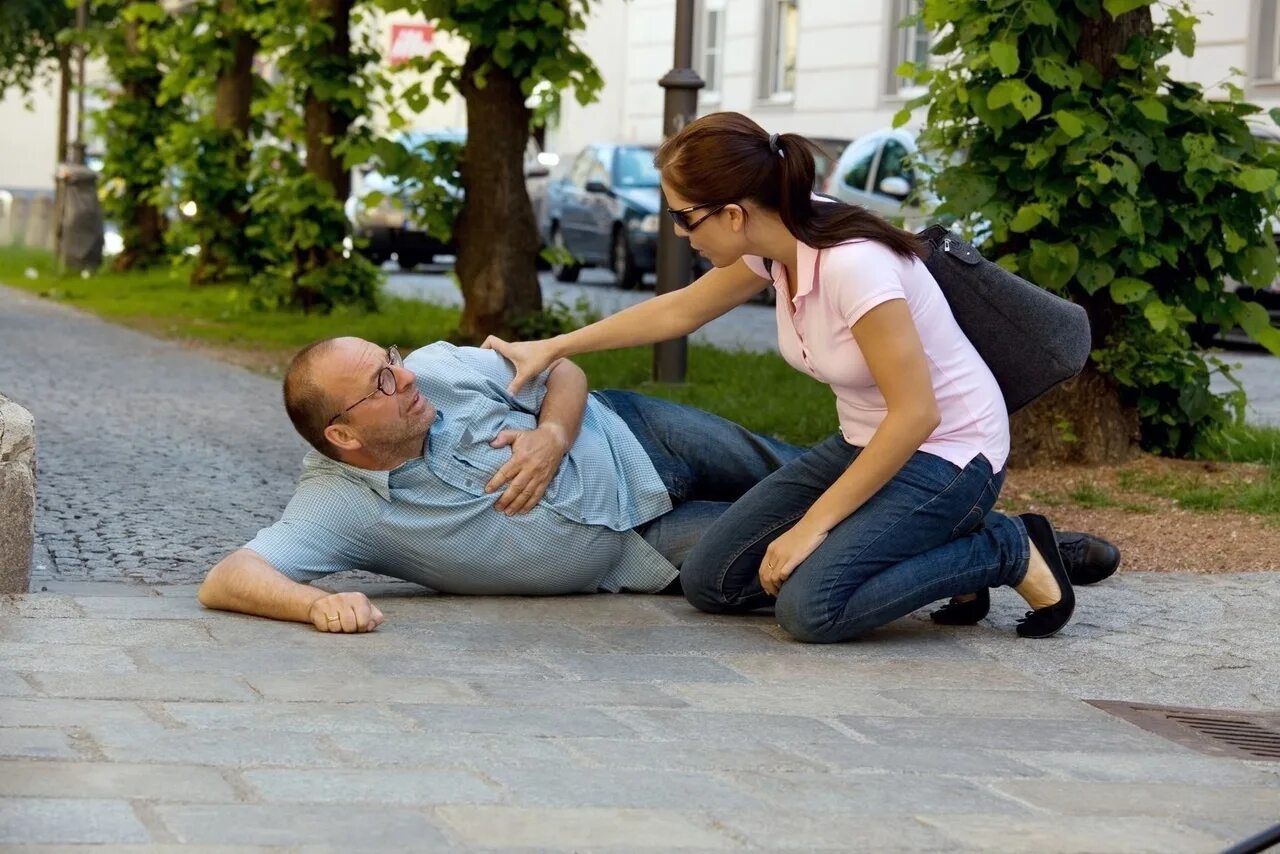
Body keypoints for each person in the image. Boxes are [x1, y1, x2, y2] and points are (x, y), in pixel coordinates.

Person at [483, 111, 1098, 644]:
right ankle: (926, 554)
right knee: (712, 581)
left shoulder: (854, 266)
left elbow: (918, 415)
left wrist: (811, 529)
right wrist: (553, 346)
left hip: (950, 454)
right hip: (867, 444)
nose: (677, 232)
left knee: (812, 609)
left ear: (732, 213)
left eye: (684, 218)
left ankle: (1003, 548)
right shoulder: (775, 245)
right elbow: (680, 310)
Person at [196, 335, 1119, 633]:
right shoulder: (337, 506)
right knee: (795, 566)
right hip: (635, 553)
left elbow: (560, 368)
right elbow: (227, 577)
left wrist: (554, 436)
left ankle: (1021, 540)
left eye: (394, 361)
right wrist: (316, 609)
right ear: (346, 433)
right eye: (384, 384)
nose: (407, 378)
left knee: (826, 481)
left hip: (641, 434)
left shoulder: (446, 366)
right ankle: (1007, 548)